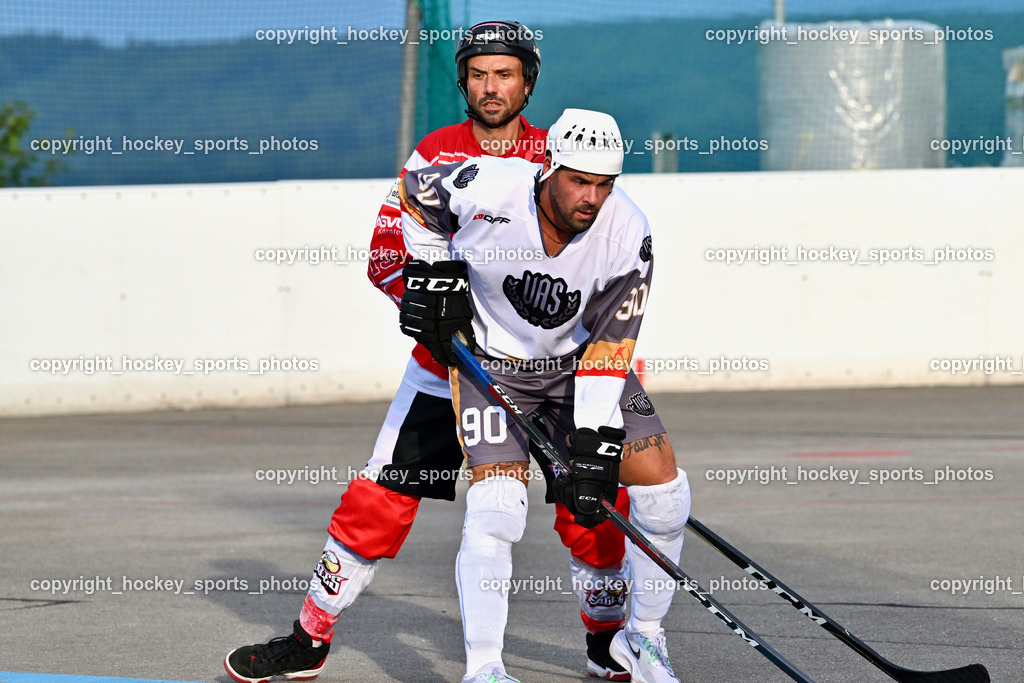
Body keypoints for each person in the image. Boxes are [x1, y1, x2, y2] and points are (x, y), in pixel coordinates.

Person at [224, 23, 632, 683]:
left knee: (592, 504)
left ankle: (607, 643)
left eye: (504, 74)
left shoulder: (556, 155)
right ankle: (310, 636)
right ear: (464, 80)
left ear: (528, 82)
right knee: (378, 497)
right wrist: (421, 300)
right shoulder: (433, 154)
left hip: (546, 374)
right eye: (478, 73)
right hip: (448, 369)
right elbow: (388, 252)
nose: (490, 86)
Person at [397, 108, 692, 683]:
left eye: (604, 184)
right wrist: (434, 274)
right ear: (549, 165)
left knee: (666, 492)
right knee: (498, 509)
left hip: (579, 367)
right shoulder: (489, 185)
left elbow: (612, 345)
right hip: (493, 369)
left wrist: (592, 442)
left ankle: (643, 639)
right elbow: (413, 195)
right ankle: (483, 667)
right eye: (580, 180)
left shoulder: (629, 230)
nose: (592, 197)